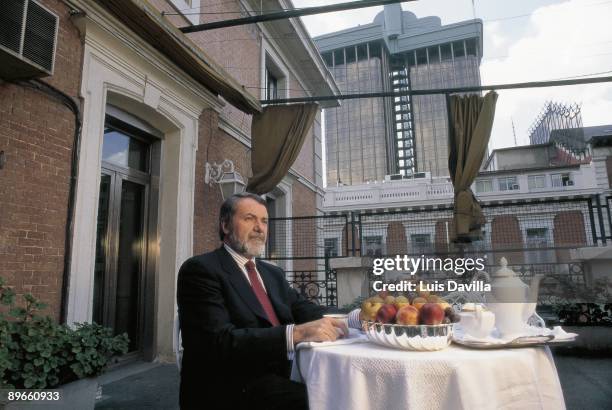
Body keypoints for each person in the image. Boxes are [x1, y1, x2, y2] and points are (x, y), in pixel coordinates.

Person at [177, 192, 360, 410]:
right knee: (330, 401)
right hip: (230, 385)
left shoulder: (272, 273)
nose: (259, 228)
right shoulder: (201, 270)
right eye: (249, 218)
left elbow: (306, 310)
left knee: (349, 388)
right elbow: (218, 343)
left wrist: (357, 316)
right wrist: (297, 334)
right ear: (225, 225)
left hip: (284, 371)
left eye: (264, 221)